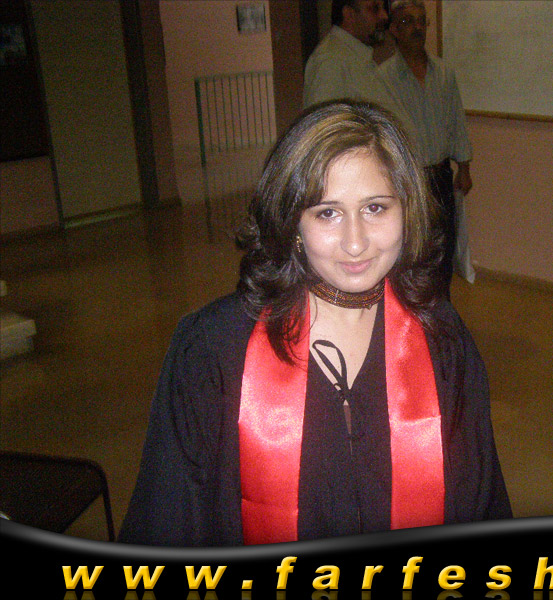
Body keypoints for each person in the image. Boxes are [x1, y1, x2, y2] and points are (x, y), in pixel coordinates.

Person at [118, 100, 511, 546]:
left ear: (407, 210)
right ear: (292, 223)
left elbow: (480, 501)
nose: (355, 242)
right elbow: (168, 523)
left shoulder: (441, 338)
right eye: (327, 212)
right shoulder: (214, 351)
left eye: (375, 208)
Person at [380, 0, 473, 297]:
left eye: (421, 21)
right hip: (408, 182)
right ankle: (414, 316)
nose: (417, 27)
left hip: (441, 177)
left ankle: (442, 313)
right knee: (413, 257)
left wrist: (464, 167)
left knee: (444, 255)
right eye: (407, 22)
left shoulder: (444, 74)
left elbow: (456, 121)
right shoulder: (382, 78)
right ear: (394, 30)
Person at [303, 0, 411, 132]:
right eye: (374, 9)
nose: (384, 16)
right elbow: (323, 132)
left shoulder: (356, 57)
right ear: (349, 14)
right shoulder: (331, 61)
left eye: (383, 8)